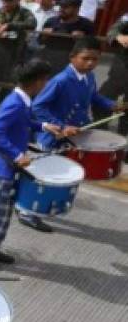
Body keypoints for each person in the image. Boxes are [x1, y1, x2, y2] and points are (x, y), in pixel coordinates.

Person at [0, 60, 63, 269]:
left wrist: (45, 126)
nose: (46, 84)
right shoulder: (14, 103)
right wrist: (17, 155)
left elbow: (24, 122)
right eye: (45, 80)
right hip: (2, 167)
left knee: (5, 211)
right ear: (37, 82)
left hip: (10, 168)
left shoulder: (22, 99)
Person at [25, 37, 125, 232]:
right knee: (44, 176)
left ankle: (45, 207)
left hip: (74, 136)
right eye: (86, 58)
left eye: (95, 59)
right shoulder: (60, 80)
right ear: (72, 57)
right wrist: (61, 126)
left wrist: (110, 104)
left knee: (60, 176)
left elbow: (93, 96)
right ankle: (28, 212)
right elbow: (38, 106)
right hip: (53, 136)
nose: (90, 63)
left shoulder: (89, 77)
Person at [38, 0, 95, 72]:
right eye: (61, 6)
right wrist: (44, 35)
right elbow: (40, 41)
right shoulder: (51, 21)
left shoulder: (86, 25)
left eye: (66, 7)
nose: (61, 9)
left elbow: (93, 49)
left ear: (77, 9)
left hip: (71, 66)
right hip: (49, 62)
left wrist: (82, 40)